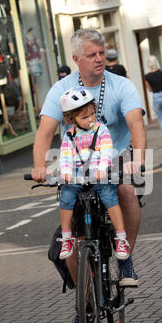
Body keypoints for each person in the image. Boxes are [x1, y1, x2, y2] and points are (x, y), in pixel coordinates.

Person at [31, 28, 146, 323]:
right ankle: (85, 305)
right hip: (77, 162)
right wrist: (41, 166)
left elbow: (136, 122)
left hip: (116, 156)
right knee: (70, 246)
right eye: (92, 55)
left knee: (124, 189)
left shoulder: (121, 85)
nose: (100, 59)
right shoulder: (61, 89)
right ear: (76, 59)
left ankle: (125, 259)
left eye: (102, 53)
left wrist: (137, 158)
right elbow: (44, 133)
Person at [58, 87, 130, 262]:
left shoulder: (101, 130)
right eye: (84, 117)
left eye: (92, 114)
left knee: (109, 197)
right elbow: (66, 156)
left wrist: (103, 168)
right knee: (66, 196)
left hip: (99, 173)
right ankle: (67, 238)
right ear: (71, 119)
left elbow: (106, 150)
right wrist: (66, 172)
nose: (90, 119)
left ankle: (121, 239)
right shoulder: (69, 135)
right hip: (78, 175)